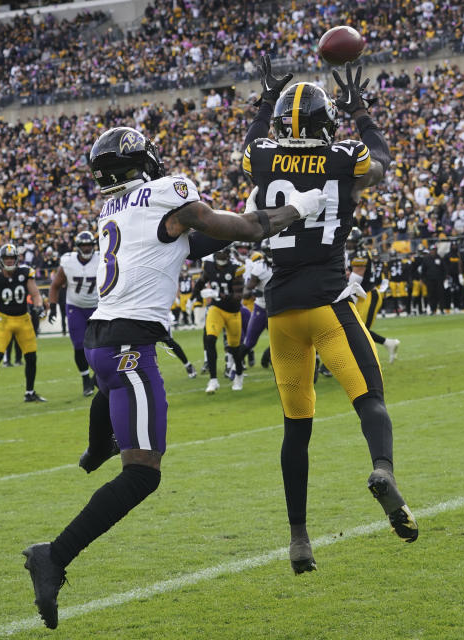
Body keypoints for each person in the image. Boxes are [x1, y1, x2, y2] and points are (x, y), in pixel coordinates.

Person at [20, 125, 325, 629]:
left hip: (103, 340)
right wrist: (303, 206)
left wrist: (255, 204)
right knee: (142, 473)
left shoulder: (113, 209)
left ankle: (98, 447)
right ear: (142, 162)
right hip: (128, 344)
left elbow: (193, 239)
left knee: (114, 393)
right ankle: (53, 554)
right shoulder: (167, 191)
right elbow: (245, 230)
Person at [239, 58, 418, 575]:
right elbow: (382, 160)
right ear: (327, 124)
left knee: (297, 429)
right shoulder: (344, 157)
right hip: (329, 301)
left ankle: (299, 539)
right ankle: (381, 470)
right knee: (370, 400)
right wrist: (361, 110)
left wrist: (264, 101)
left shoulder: (264, 155)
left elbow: (251, 144)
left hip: (280, 314)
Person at [0, 244, 46, 407]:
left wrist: (39, 306)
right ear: (1, 260)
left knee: (31, 357)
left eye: (12, 258)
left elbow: (35, 294)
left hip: (23, 320)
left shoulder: (25, 273)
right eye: (7, 258)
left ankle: (30, 392)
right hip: (4, 320)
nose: (10, 261)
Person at [47, 230, 100, 396]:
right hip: (75, 307)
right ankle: (86, 379)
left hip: (97, 307)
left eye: (89, 245)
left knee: (100, 346)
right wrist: (53, 306)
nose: (86, 248)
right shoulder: (68, 262)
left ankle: (97, 378)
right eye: (83, 245)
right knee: (78, 345)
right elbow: (55, 285)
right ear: (78, 247)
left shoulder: (102, 258)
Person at [193, 248, 246, 392]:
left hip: (233, 312)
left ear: (228, 255)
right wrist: (195, 296)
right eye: (219, 253)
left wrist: (218, 294)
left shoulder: (236, 269)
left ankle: (239, 375)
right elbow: (200, 282)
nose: (221, 256)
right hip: (216, 309)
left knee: (234, 348)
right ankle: (213, 380)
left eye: (224, 254)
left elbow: (237, 297)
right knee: (210, 339)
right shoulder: (209, 266)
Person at [347, 228, 400, 360]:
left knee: (358, 331)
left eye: (352, 242)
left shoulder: (360, 254)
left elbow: (354, 282)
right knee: (353, 329)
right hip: (360, 295)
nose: (349, 245)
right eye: (348, 242)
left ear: (358, 242)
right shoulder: (353, 253)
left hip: (368, 296)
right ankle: (388, 343)